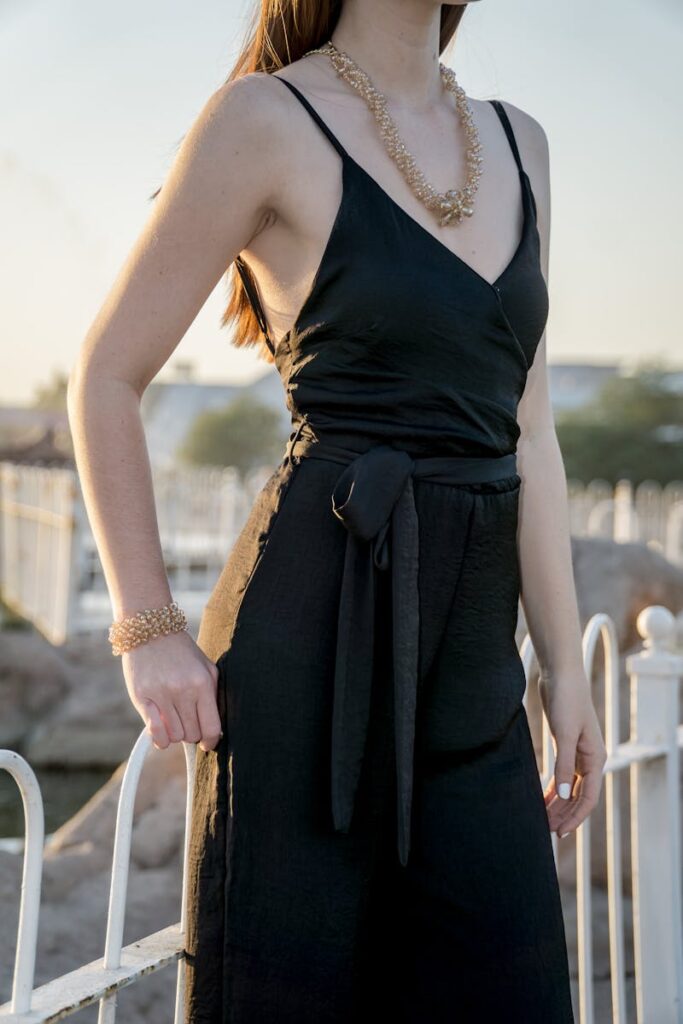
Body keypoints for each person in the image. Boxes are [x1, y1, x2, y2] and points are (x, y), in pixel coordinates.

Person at [67, 1, 608, 1021]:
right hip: (304, 656)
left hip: (472, 674)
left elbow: (528, 430)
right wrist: (147, 625)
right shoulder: (261, 119)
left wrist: (565, 672)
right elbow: (105, 376)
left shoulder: (519, 140)